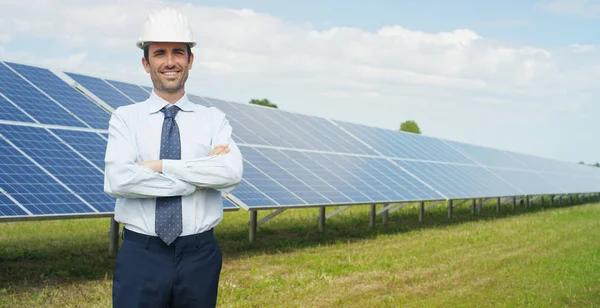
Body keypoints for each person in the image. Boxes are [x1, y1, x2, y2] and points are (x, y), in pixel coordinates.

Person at [103, 7, 243, 308]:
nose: (170, 62)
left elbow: (230, 174)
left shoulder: (213, 119)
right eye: (160, 53)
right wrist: (197, 179)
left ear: (190, 60)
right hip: (142, 255)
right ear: (146, 62)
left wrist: (161, 167)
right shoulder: (126, 118)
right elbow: (119, 181)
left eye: (178, 52)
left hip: (200, 256)